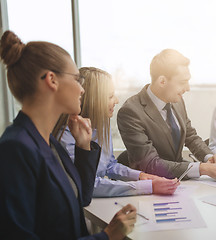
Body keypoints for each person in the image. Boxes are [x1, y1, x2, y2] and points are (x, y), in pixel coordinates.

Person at [0, 30, 136, 240]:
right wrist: (107, 236)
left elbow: (80, 198)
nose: (82, 89)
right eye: (77, 79)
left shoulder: (48, 141)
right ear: (52, 80)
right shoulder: (16, 148)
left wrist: (84, 148)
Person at [117, 49, 216, 184]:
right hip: (151, 183)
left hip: (178, 179)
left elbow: (190, 135)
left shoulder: (176, 100)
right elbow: (150, 164)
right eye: (182, 82)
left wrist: (208, 157)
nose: (188, 88)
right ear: (162, 81)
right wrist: (204, 169)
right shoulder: (130, 112)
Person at [54, 67, 179, 197]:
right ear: (94, 100)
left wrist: (142, 176)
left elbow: (109, 165)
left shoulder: (102, 126)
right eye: (110, 96)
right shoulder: (65, 136)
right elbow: (89, 184)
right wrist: (148, 187)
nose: (117, 101)